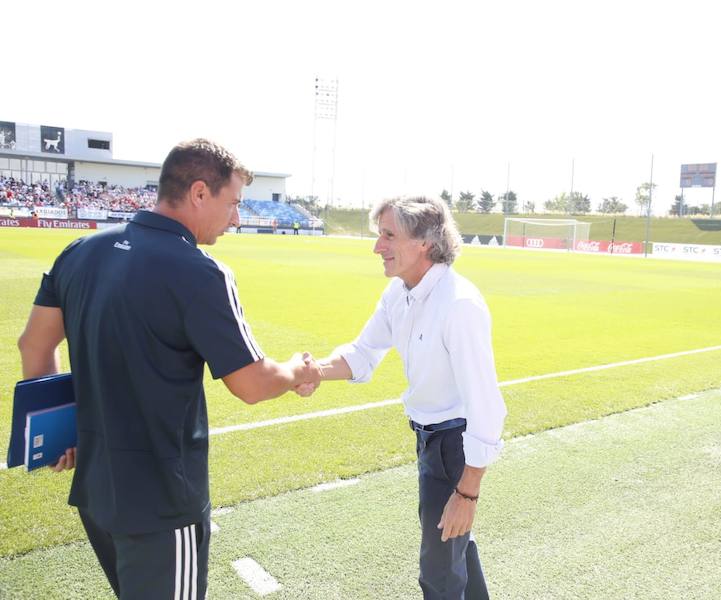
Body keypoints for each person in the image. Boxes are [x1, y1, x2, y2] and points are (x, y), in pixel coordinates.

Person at [17, 138, 322, 600]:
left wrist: (60, 431)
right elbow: (253, 384)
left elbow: (34, 345)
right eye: (233, 203)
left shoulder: (79, 251)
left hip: (96, 492)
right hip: (161, 502)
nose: (236, 218)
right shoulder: (200, 270)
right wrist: (298, 369)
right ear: (199, 193)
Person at [304, 196, 507, 599]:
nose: (377, 246)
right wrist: (316, 372)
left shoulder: (459, 305)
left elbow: (486, 407)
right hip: (428, 441)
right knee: (453, 549)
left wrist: (467, 492)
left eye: (388, 235)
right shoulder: (399, 293)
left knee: (439, 573)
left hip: (454, 445)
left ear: (425, 242)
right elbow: (363, 352)